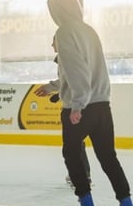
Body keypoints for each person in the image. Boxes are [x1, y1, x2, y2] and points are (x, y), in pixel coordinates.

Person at [44, 0, 133, 206]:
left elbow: (77, 71)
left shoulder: (64, 32)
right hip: (102, 106)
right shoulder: (89, 30)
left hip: (81, 107)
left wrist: (77, 104)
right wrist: (52, 87)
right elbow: (80, 70)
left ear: (57, 10)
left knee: (71, 154)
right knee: (108, 158)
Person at [34, 36, 91, 190]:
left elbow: (69, 81)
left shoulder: (67, 57)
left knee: (73, 144)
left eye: (53, 41)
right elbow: (68, 82)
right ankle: (82, 174)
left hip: (75, 106)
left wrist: (49, 88)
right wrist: (57, 94)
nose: (51, 44)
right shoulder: (70, 56)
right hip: (78, 104)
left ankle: (80, 176)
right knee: (76, 142)